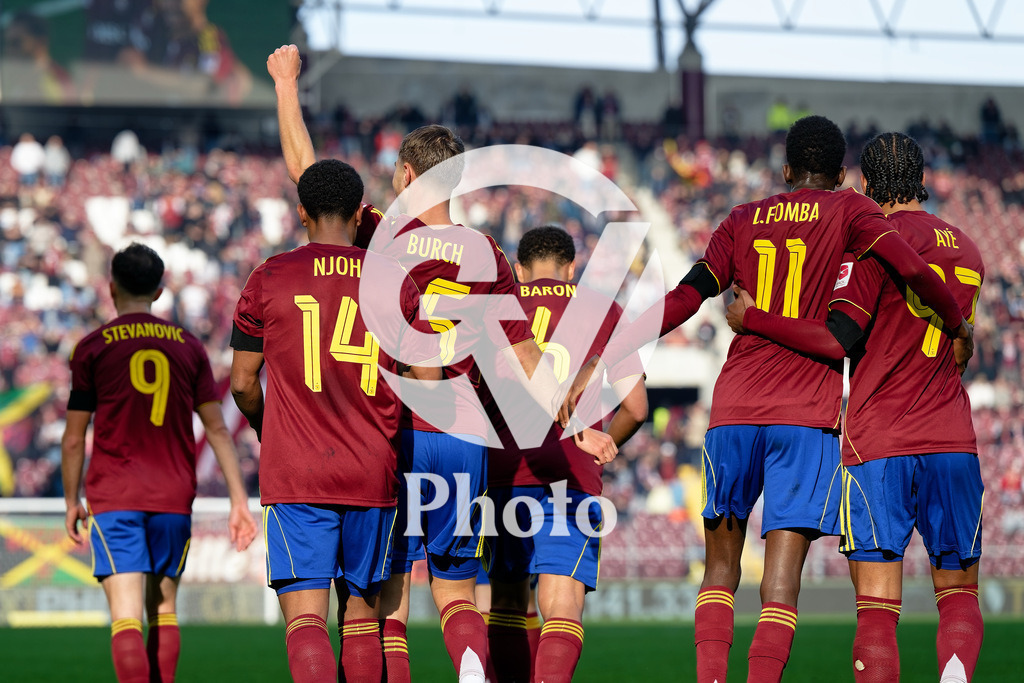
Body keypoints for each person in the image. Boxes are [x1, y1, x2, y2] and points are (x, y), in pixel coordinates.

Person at [562, 115, 973, 683]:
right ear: (840, 172)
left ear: (785, 170)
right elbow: (909, 265)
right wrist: (956, 323)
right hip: (806, 417)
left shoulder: (742, 219)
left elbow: (685, 297)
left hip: (733, 411)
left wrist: (605, 355)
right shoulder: (855, 213)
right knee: (780, 582)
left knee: (719, 570)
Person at [267, 44, 617, 683]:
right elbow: (521, 354)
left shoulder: (383, 233)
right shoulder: (485, 251)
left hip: (396, 431)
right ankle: (473, 669)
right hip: (462, 434)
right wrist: (569, 418)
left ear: (404, 175)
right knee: (457, 587)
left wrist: (287, 86)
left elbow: (309, 178)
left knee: (386, 596)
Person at [725, 132, 985, 682]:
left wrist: (755, 319)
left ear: (865, 185)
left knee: (875, 608)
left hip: (877, 444)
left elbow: (836, 337)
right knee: (959, 592)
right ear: (922, 179)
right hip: (952, 440)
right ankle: (956, 674)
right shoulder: (969, 249)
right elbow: (956, 342)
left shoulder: (869, 243)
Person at [229, 159, 440, 682]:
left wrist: (266, 426)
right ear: (356, 211)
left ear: (301, 212)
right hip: (371, 472)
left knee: (305, 620)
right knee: (362, 619)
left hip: (297, 471)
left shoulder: (270, 276)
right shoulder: (395, 281)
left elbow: (240, 382)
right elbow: (430, 382)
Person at [61, 242, 256, 683]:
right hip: (172, 495)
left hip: (115, 495)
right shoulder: (189, 347)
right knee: (163, 610)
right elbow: (218, 429)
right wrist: (239, 500)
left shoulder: (91, 348)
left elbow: (74, 439)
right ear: (161, 290)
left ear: (111, 288)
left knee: (126, 617)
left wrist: (72, 499)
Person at [486, 226, 648, 683]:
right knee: (561, 607)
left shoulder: (504, 307)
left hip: (505, 473)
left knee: (507, 605)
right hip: (571, 475)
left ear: (519, 270)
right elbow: (636, 407)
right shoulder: (602, 310)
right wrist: (602, 445)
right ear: (572, 267)